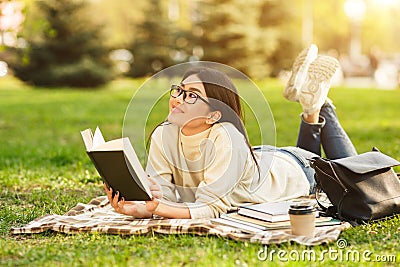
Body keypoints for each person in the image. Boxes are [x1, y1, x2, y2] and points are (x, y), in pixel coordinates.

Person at [105, 44, 358, 219]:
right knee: (321, 158)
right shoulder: (164, 134)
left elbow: (211, 207)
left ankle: (319, 105)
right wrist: (137, 207)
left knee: (359, 176)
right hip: (259, 160)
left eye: (192, 96)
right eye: (180, 90)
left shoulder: (226, 138)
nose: (179, 99)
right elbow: (166, 194)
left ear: (213, 115)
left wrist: (158, 207)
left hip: (296, 172)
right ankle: (312, 105)